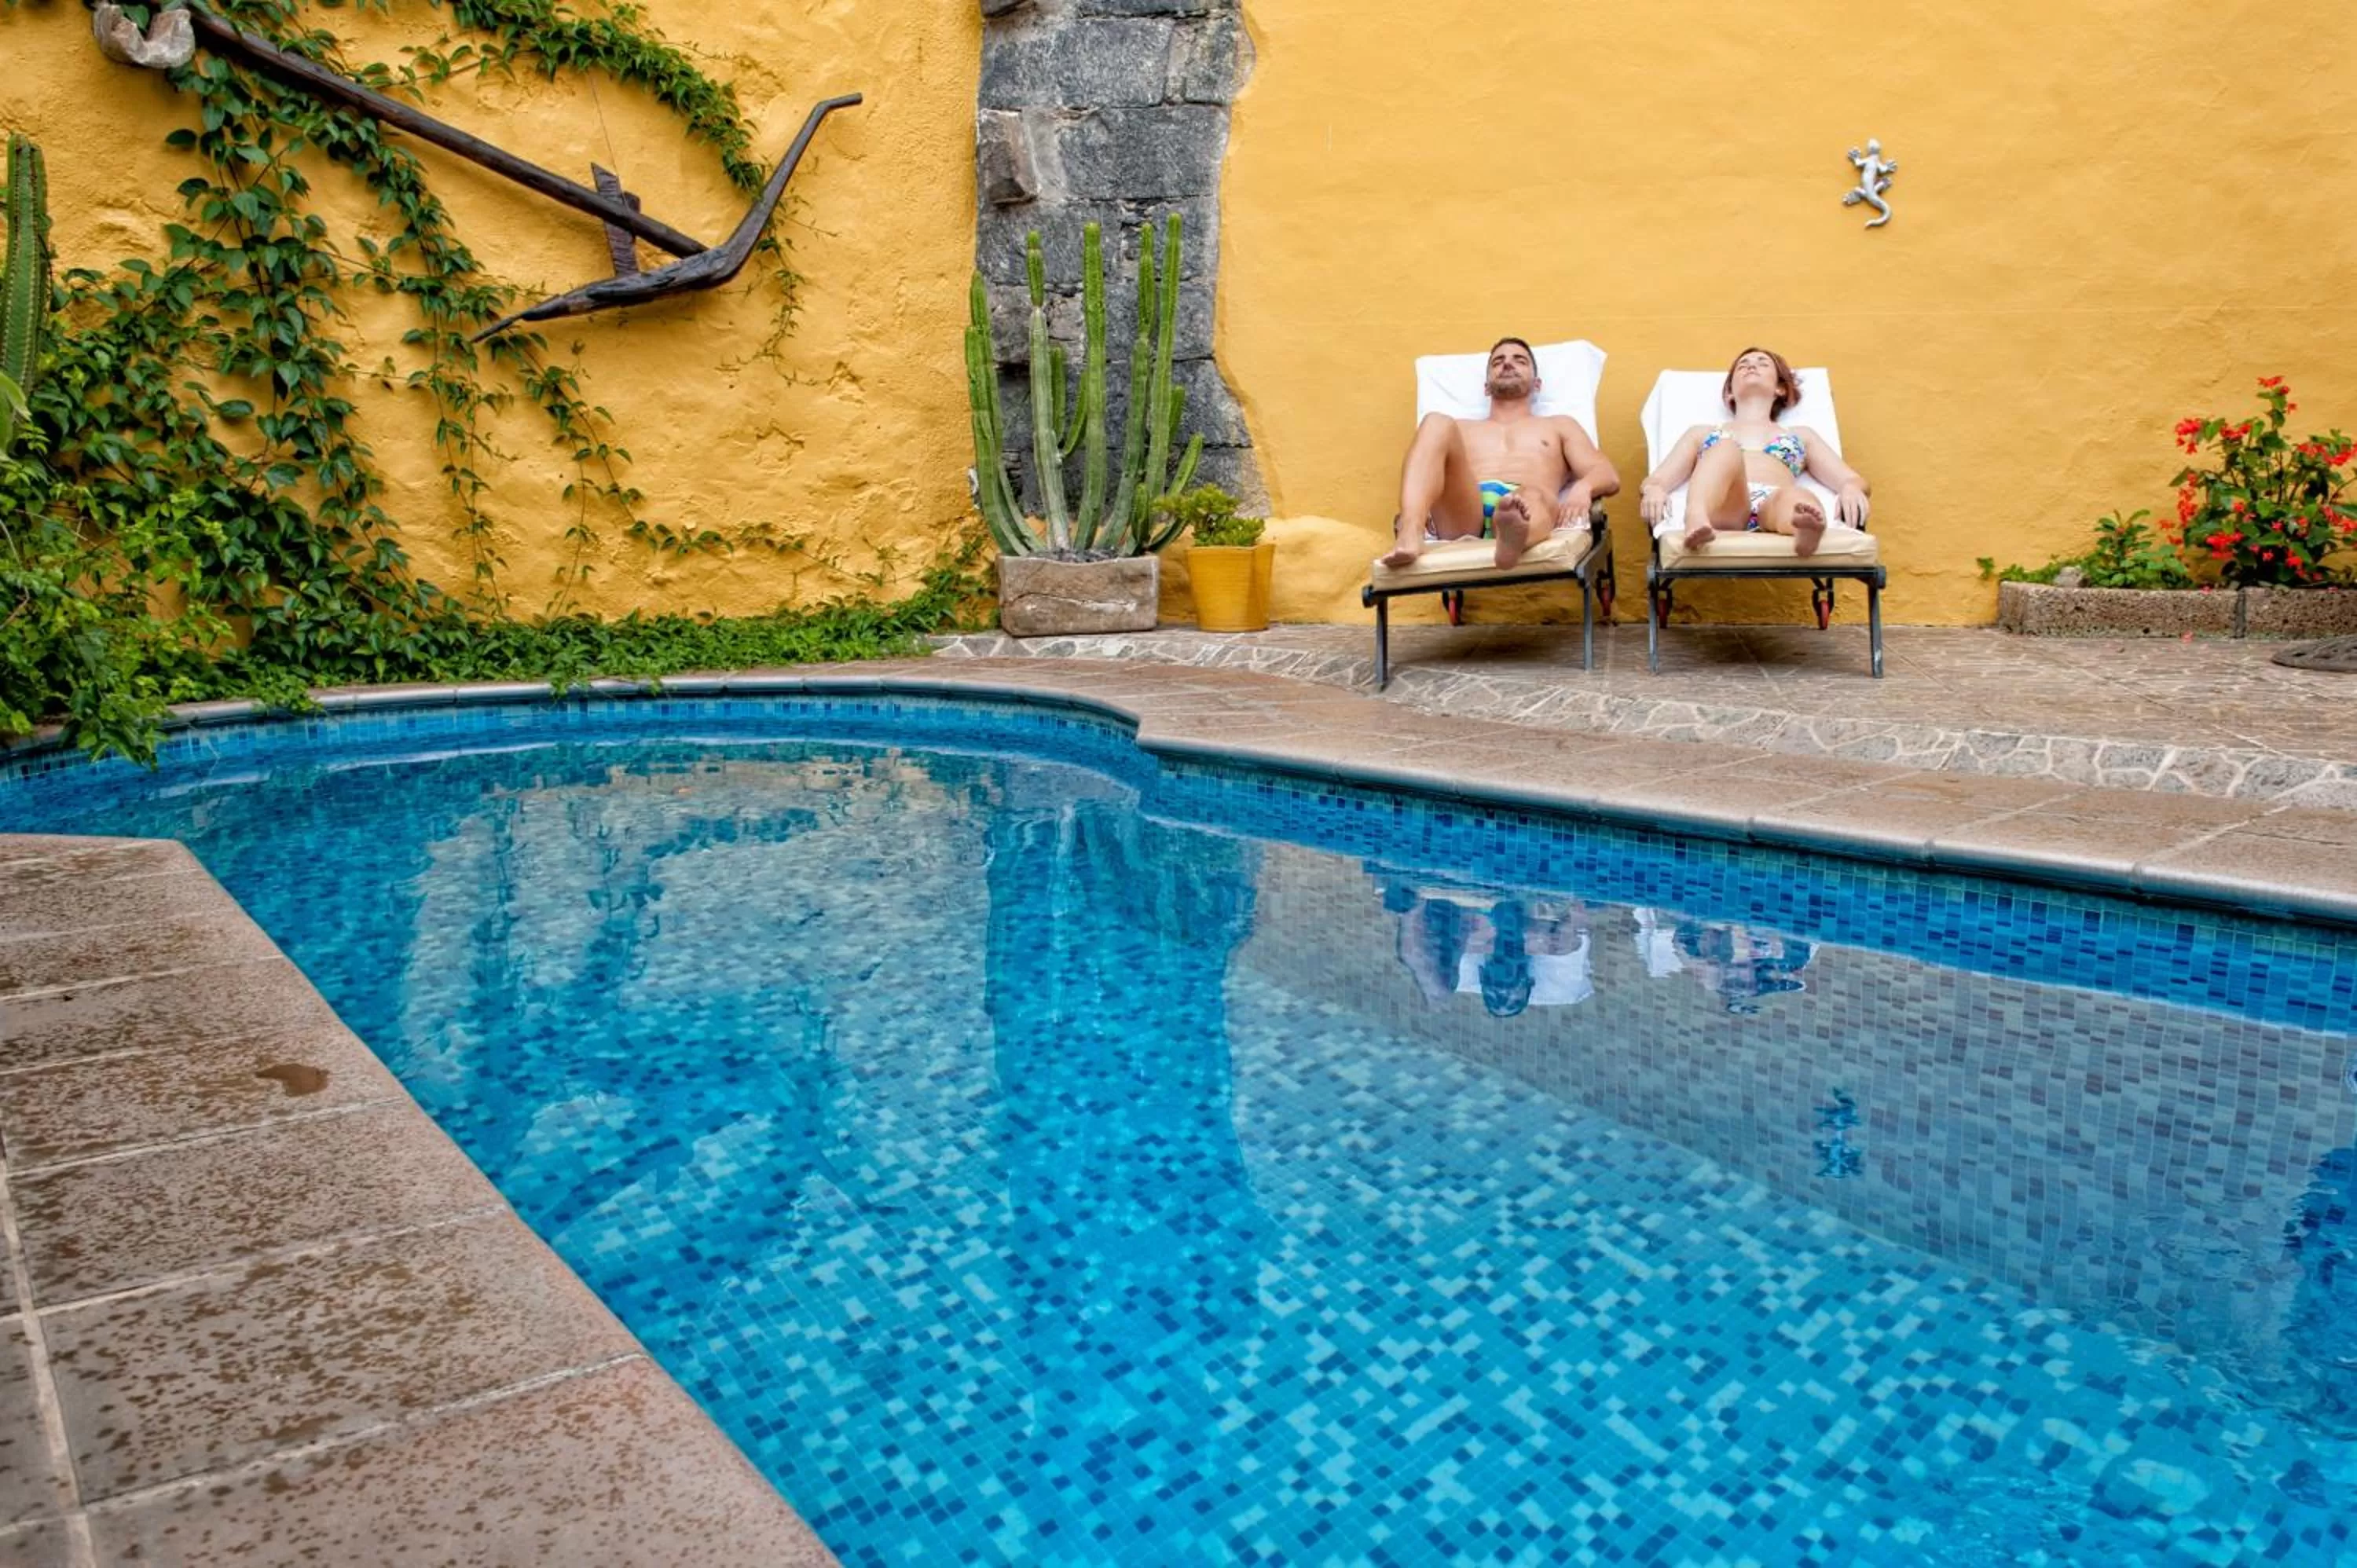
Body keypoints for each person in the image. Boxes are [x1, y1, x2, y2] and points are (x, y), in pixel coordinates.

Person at [1379, 336, 1621, 572]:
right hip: (1465, 510)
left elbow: (1606, 474)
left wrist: (1583, 488)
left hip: (1530, 503)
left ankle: (1513, 536)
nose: (1507, 364)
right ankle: (1412, 531)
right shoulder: (1459, 428)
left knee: (1531, 495)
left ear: (1537, 384)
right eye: (1498, 362)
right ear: (1486, 387)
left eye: (1520, 360)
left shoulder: (1560, 425)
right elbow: (1426, 466)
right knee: (1434, 422)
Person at [1637, 347, 1870, 557]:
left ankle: (1803, 529)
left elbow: (1851, 478)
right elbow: (1658, 478)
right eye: (1743, 365)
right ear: (1729, 392)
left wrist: (1851, 488)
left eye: (1762, 363)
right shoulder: (1703, 433)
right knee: (1726, 448)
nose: (1751, 365)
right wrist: (1654, 488)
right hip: (1727, 505)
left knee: (1799, 499)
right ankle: (1695, 517)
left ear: (1780, 388)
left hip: (1773, 501)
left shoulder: (1801, 436)